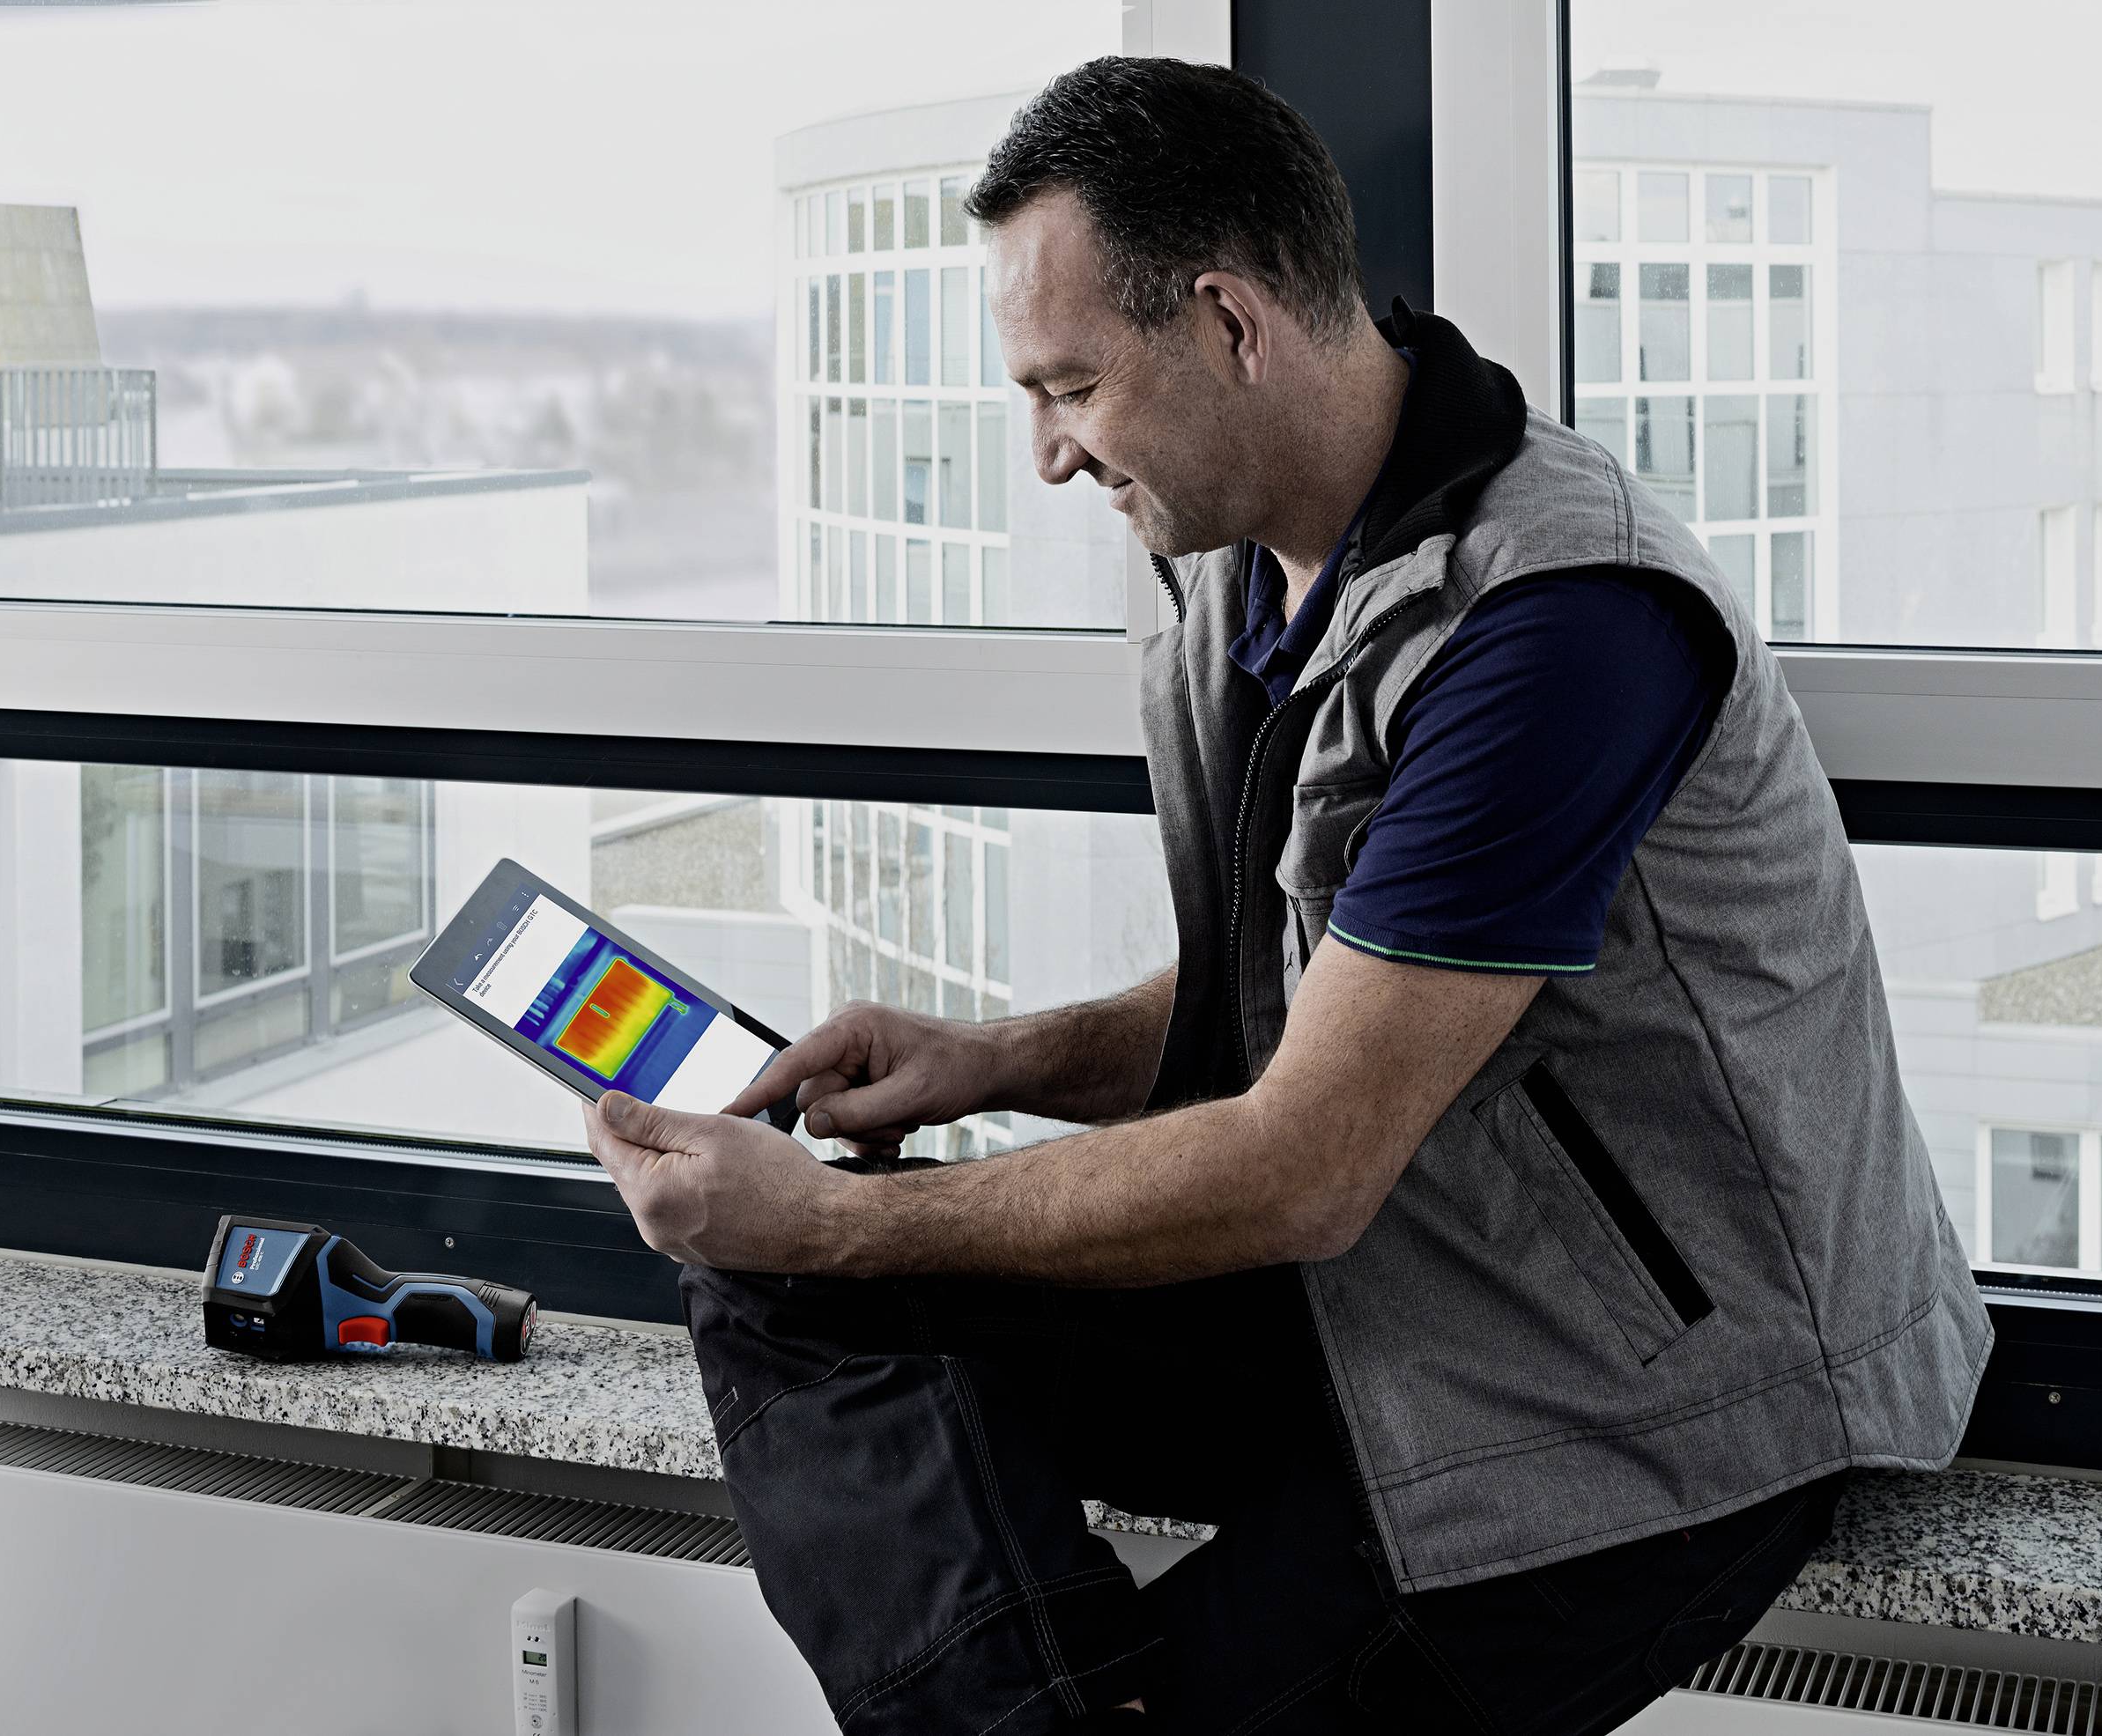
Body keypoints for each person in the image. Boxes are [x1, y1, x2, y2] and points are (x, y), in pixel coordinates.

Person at [582, 55, 1990, 1736]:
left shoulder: (1556, 625)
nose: (1045, 453)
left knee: (820, 1239)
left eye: (1069, 386)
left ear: (1232, 324)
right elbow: (1314, 1003)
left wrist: (833, 1209)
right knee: (784, 1284)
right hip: (1395, 1280)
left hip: (1642, 1396)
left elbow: (1302, 1163)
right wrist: (992, 1060)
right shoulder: (1235, 562)